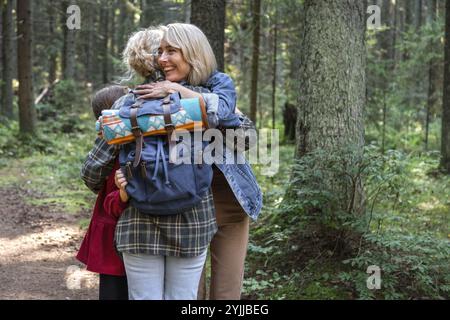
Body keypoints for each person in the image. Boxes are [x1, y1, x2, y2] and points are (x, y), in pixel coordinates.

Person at [81, 23, 262, 300]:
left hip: (223, 201)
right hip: (188, 207)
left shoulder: (213, 96)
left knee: (215, 293)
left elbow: (247, 139)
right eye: (159, 53)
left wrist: (197, 103)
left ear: (192, 54)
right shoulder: (143, 102)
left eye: (170, 52)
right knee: (194, 294)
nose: (162, 60)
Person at [76, 85, 129, 300]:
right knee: (114, 287)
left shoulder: (113, 146)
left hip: (115, 227)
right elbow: (95, 179)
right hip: (114, 226)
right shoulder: (116, 146)